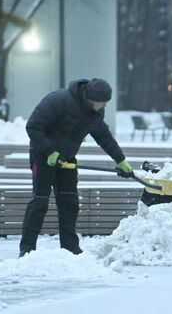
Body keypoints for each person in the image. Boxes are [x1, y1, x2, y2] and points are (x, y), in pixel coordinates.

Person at [18, 77, 130, 255]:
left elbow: (104, 137)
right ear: (92, 98)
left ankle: (70, 247)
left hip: (67, 159)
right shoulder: (58, 100)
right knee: (40, 202)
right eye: (103, 101)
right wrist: (49, 151)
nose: (105, 105)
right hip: (43, 155)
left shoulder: (95, 113)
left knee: (69, 202)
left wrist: (120, 160)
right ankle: (27, 249)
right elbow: (32, 127)